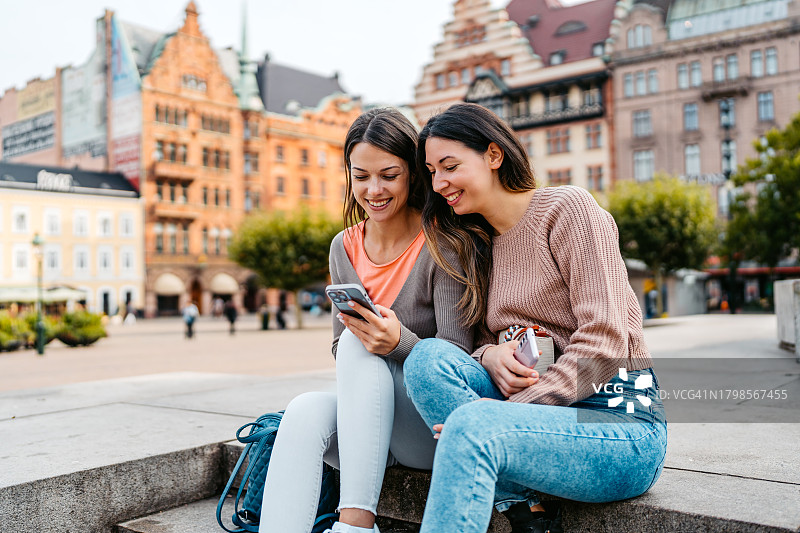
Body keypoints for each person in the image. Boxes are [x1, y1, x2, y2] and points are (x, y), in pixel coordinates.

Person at [403, 103, 667, 533]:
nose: (440, 183)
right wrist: (489, 355)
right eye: (432, 171)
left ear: (493, 155)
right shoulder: (477, 243)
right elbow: (478, 343)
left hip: (620, 421)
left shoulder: (568, 209)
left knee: (473, 423)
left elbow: (607, 340)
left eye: (449, 166)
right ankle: (526, 509)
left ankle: (517, 497)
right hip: (529, 420)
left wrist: (512, 410)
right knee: (426, 359)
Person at [258, 108, 473, 533]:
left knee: (361, 341)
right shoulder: (344, 246)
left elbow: (459, 359)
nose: (374, 190)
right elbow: (343, 347)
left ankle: (355, 524)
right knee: (303, 410)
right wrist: (366, 343)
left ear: (413, 173)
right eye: (361, 177)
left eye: (388, 175)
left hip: (428, 428)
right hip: (369, 428)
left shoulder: (444, 244)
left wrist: (397, 343)